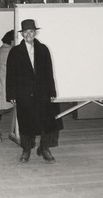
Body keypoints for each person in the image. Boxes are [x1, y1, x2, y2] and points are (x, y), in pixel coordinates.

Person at [6, 19, 63, 163]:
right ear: (22, 34)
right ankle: (26, 150)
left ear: (35, 33)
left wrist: (52, 91)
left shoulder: (43, 49)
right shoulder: (15, 52)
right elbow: (10, 74)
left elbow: (49, 72)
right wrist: (11, 94)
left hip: (42, 93)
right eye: (25, 32)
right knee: (26, 123)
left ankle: (44, 148)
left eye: (30, 31)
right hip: (24, 94)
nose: (28, 35)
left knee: (46, 122)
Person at [0, 30, 15, 136]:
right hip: (10, 83)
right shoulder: (12, 51)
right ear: (12, 40)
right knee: (16, 107)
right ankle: (13, 130)